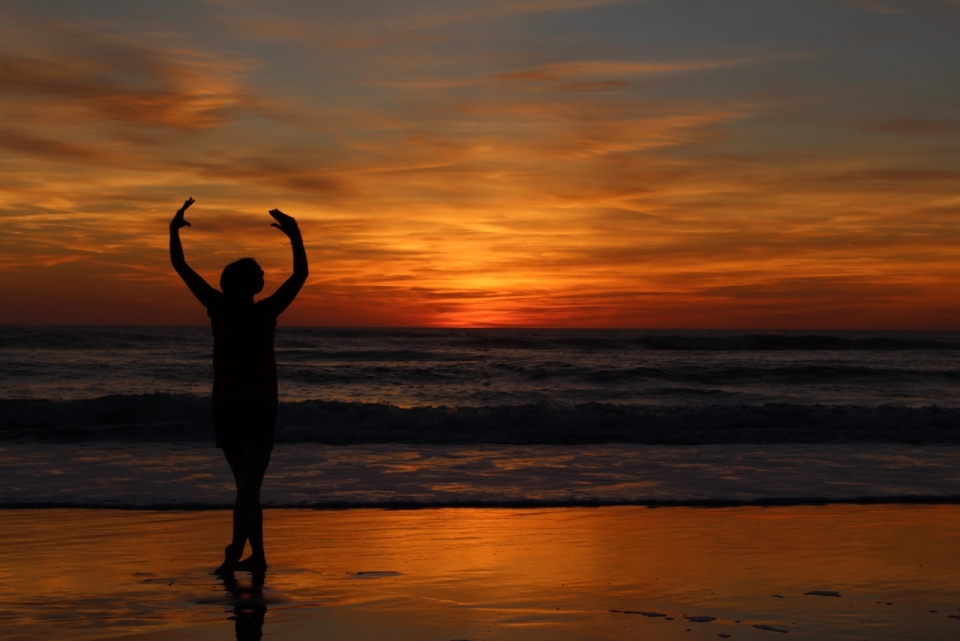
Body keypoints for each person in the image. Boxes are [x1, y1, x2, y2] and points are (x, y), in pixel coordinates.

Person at [169, 197, 308, 576]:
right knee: (249, 487)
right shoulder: (263, 311)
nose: (265, 276)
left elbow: (180, 266)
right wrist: (296, 237)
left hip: (227, 404)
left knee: (247, 486)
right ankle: (236, 554)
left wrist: (172, 231)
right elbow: (299, 277)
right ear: (252, 284)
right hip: (258, 404)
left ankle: (256, 555)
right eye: (261, 273)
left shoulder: (217, 306)